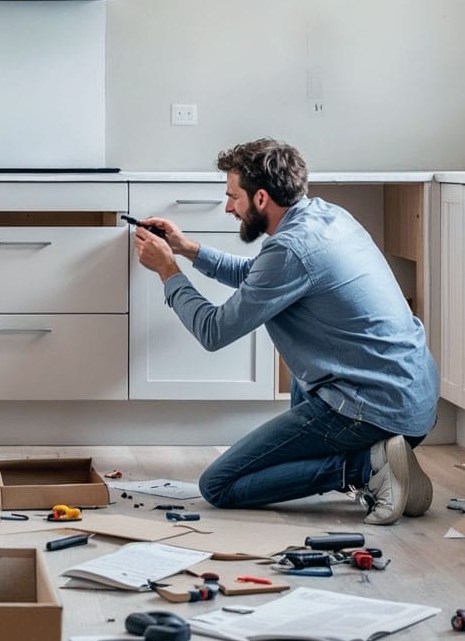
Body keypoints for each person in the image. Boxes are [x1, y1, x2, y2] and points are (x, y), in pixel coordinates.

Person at [131, 138, 437, 525]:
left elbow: (213, 331)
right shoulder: (327, 217)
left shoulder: (289, 250)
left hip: (375, 409)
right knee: (302, 376)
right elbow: (259, 278)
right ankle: (381, 459)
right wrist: (187, 249)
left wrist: (167, 270)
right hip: (412, 398)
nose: (229, 208)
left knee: (218, 485)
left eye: (233, 197)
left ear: (261, 199)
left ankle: (365, 468)